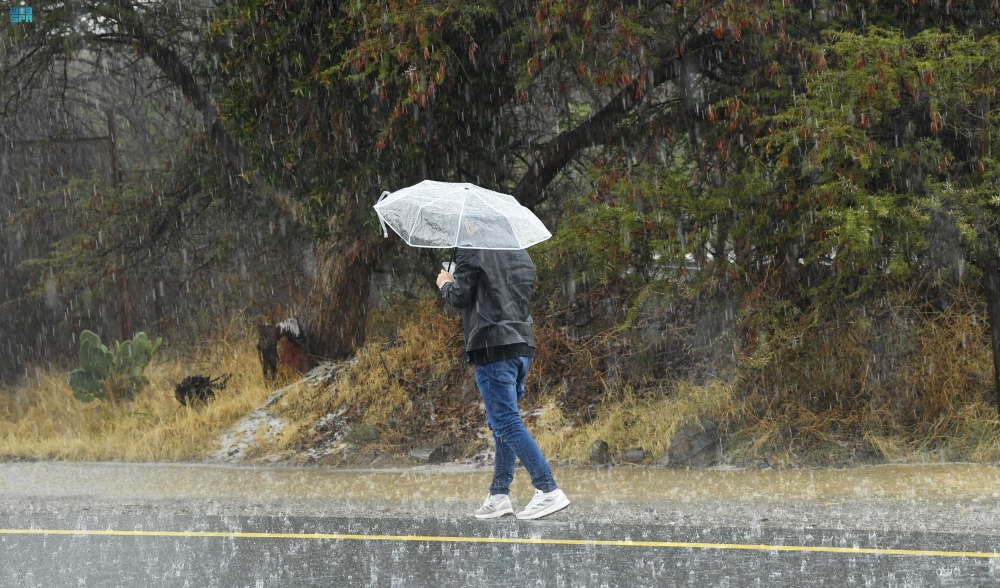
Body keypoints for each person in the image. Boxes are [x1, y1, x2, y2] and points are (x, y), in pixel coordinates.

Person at [437, 245, 570, 520]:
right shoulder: (517, 251)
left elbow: (461, 297)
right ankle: (499, 495)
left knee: (507, 423)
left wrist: (446, 284)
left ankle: (548, 490)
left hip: (492, 346)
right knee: (502, 423)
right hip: (521, 345)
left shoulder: (470, 250)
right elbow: (505, 294)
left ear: (472, 221)